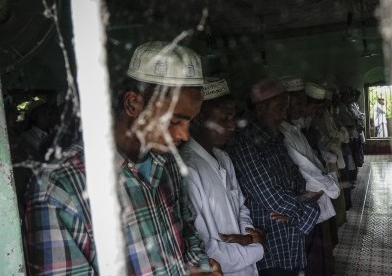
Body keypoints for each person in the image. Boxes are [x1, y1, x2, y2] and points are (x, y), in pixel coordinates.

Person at [24, 41, 222, 276]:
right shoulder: (60, 189)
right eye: (173, 121)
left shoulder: (166, 163)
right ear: (133, 104)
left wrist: (198, 267)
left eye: (190, 121)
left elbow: (186, 229)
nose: (184, 135)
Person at [228, 78, 320, 276]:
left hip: (291, 242)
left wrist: (300, 207)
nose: (284, 114)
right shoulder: (246, 144)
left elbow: (300, 184)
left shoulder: (276, 139)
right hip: (272, 249)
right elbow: (272, 197)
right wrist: (309, 208)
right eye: (280, 108)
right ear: (261, 109)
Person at [181, 78, 265, 275]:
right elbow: (206, 249)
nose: (232, 127)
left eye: (232, 118)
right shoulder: (189, 169)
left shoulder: (224, 158)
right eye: (224, 119)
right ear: (200, 118)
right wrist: (259, 247)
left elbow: (241, 207)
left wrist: (247, 235)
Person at [279, 77, 340, 276]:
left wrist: (327, 183)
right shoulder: (285, 134)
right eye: (297, 103)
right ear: (285, 104)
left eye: (303, 103)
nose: (302, 108)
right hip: (308, 202)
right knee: (312, 259)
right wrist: (330, 185)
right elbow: (305, 168)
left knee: (319, 255)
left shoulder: (295, 130)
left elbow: (312, 161)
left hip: (316, 198)